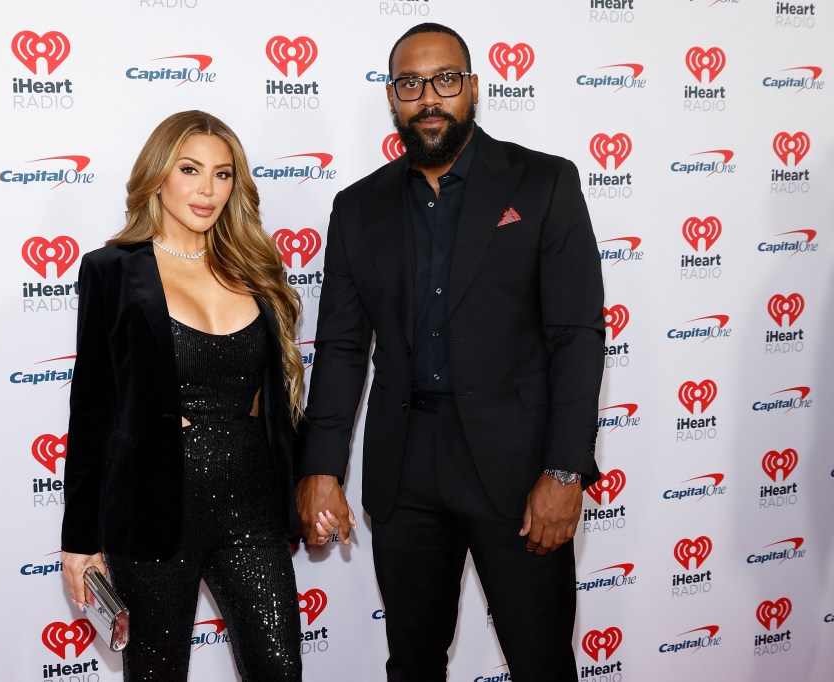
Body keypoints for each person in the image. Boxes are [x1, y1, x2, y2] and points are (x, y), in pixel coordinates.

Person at [296, 23, 605, 682]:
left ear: (471, 89)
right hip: (405, 473)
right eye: (411, 84)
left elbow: (576, 335)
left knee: (541, 662)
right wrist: (320, 464)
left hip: (521, 472)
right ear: (393, 98)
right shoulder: (357, 208)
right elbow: (344, 347)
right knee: (413, 663)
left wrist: (566, 471)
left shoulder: (543, 184)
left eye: (444, 81)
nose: (428, 98)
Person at [60, 110, 304, 681]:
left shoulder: (256, 267)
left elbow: (281, 401)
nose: (206, 189)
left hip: (252, 501)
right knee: (155, 672)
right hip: (151, 506)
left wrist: (314, 480)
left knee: (280, 667)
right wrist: (80, 541)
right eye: (190, 169)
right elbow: (91, 409)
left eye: (223, 174)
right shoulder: (112, 271)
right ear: (159, 174)